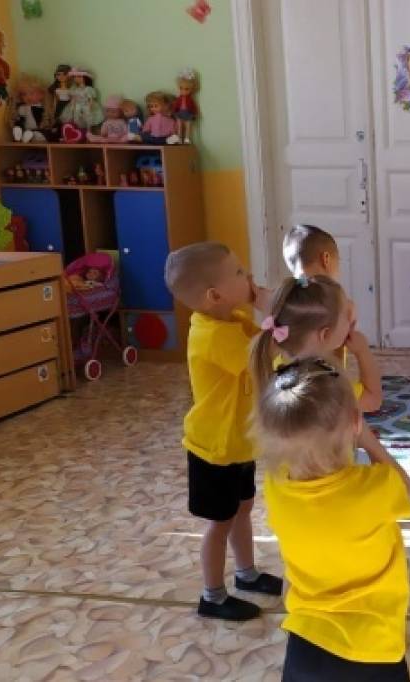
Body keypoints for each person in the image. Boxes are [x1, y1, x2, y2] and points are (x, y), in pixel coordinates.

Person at [253, 356, 410, 680]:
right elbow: (405, 488)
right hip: (372, 646)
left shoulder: (275, 486)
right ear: (356, 423)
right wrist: (370, 441)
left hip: (305, 644)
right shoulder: (375, 487)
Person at [162, 242, 281, 621]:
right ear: (214, 296)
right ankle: (212, 596)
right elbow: (264, 355)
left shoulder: (233, 319)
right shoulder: (213, 335)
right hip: (214, 447)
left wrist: (268, 313)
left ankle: (246, 574)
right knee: (221, 522)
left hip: (238, 444)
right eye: (239, 273)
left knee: (242, 509)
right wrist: (274, 312)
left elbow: (266, 339)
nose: (249, 276)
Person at [281, 224, 383, 414]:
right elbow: (373, 400)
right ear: (326, 259)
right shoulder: (337, 305)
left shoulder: (284, 301)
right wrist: (362, 351)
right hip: (331, 400)